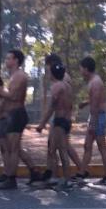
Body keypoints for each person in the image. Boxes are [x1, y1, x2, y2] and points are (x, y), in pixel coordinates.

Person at [0, 50, 44, 189]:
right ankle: (32, 171)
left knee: (13, 149)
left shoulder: (19, 76)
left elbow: (13, 96)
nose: (6, 60)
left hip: (16, 114)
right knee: (12, 148)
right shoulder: (13, 76)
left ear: (16, 60)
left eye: (9, 58)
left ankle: (11, 179)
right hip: (12, 115)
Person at [37, 61, 74, 191]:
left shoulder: (56, 86)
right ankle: (55, 176)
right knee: (52, 149)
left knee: (62, 150)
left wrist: (42, 123)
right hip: (66, 120)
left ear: (52, 73)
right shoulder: (67, 86)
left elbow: (52, 106)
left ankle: (67, 180)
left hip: (59, 121)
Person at [78, 57, 106, 186]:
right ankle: (81, 173)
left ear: (86, 69)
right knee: (87, 145)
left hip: (98, 116)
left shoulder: (96, 82)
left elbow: (97, 103)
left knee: (101, 146)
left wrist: (93, 122)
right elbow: (94, 99)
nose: (80, 71)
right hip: (94, 116)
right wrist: (85, 103)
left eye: (81, 68)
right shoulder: (93, 82)